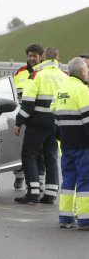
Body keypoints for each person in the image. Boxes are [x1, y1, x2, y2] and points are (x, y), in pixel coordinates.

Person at [14, 47, 68, 204]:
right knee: (51, 156)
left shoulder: (36, 75)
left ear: (43, 57)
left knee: (29, 154)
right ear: (58, 58)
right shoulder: (64, 76)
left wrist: (19, 122)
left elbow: (28, 104)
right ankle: (50, 194)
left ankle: (32, 192)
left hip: (37, 122)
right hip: (57, 121)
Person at [52, 57, 89, 229]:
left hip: (66, 143)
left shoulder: (61, 90)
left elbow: (57, 119)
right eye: (87, 70)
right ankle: (85, 219)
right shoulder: (83, 90)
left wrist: (61, 138)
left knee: (68, 180)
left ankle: (65, 218)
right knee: (85, 181)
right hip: (83, 144)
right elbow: (87, 120)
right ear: (82, 71)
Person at [12, 43, 46, 190]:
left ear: (41, 57)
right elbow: (13, 94)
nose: (32, 58)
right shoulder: (20, 72)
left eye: (35, 56)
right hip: (20, 114)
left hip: (37, 118)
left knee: (40, 152)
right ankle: (19, 177)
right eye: (30, 56)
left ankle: (38, 181)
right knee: (19, 149)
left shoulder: (44, 73)